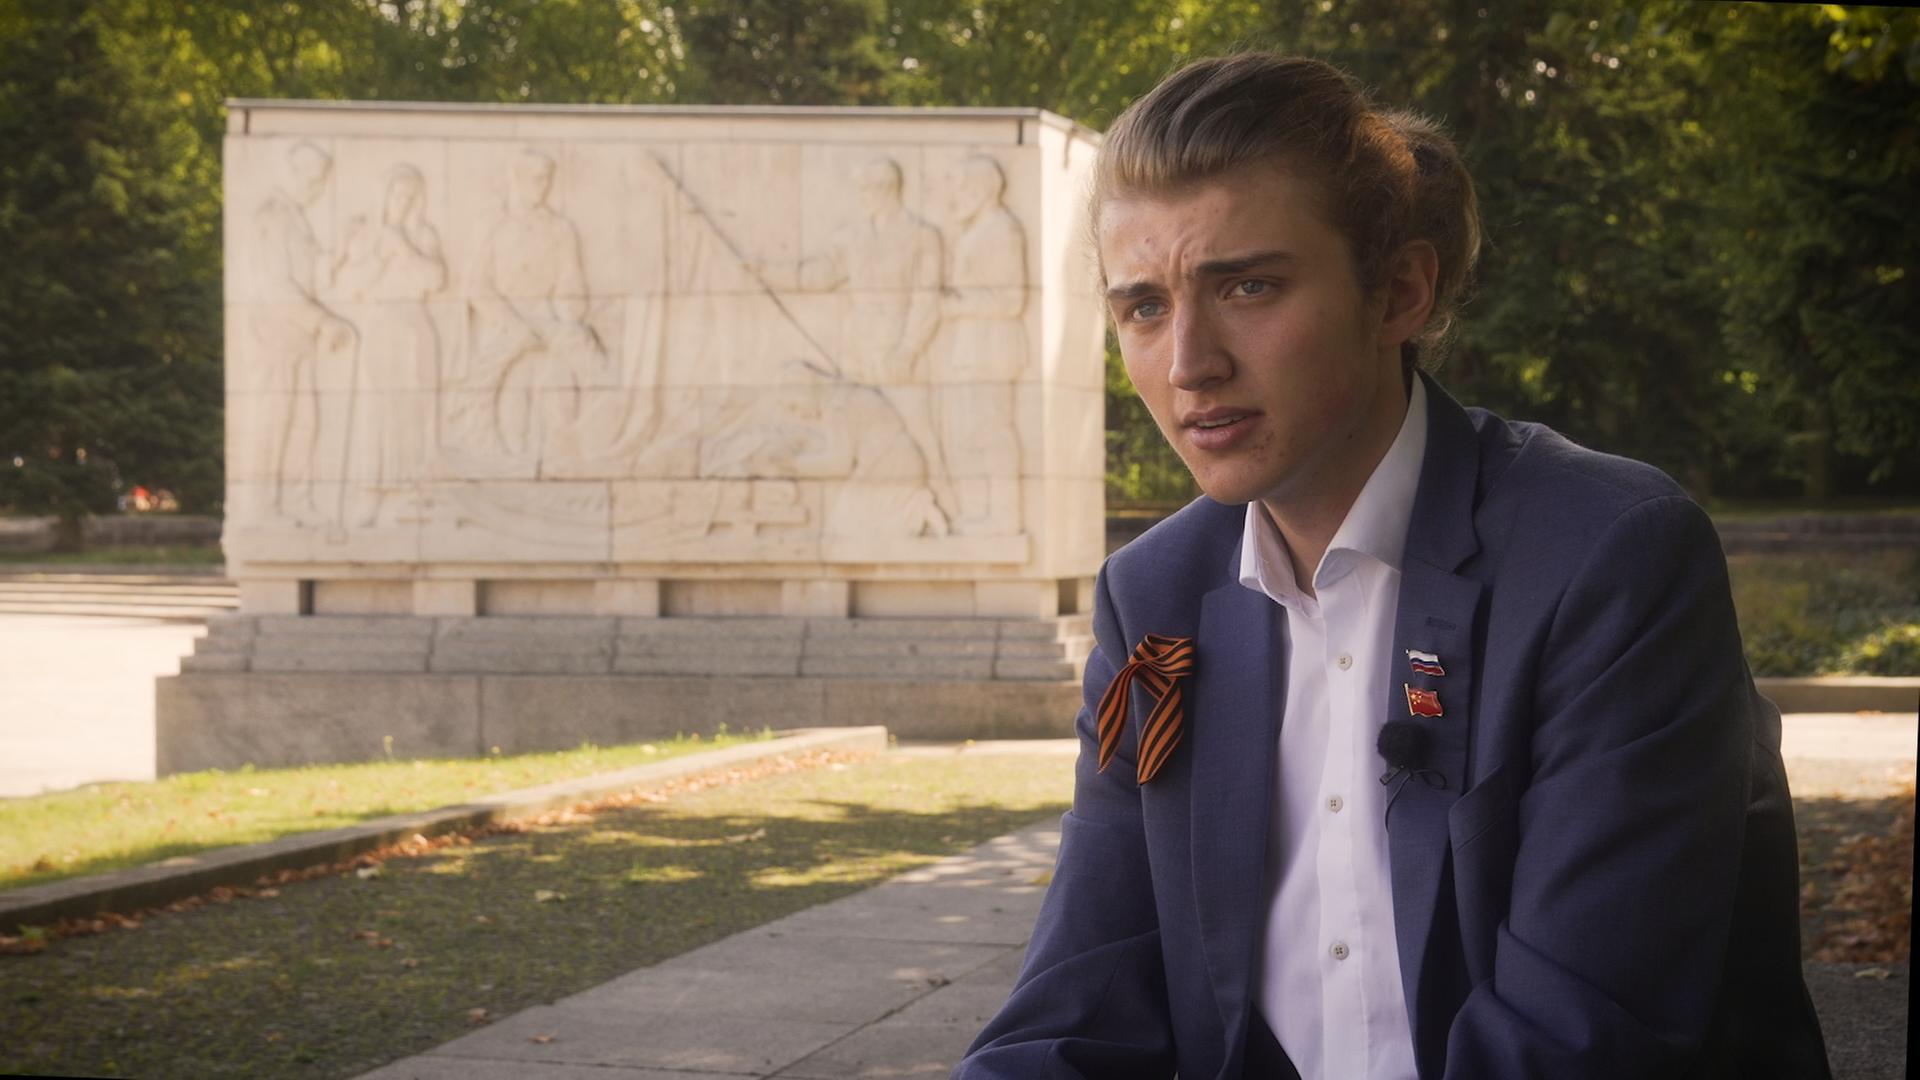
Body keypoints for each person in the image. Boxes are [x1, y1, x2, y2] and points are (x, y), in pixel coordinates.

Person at [953, 53, 1829, 1080]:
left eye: (1248, 285)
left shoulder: (1610, 556)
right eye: (1144, 307)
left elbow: (1585, 1042)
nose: (1189, 362)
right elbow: (1075, 1009)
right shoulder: (1152, 597)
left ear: (1400, 291)